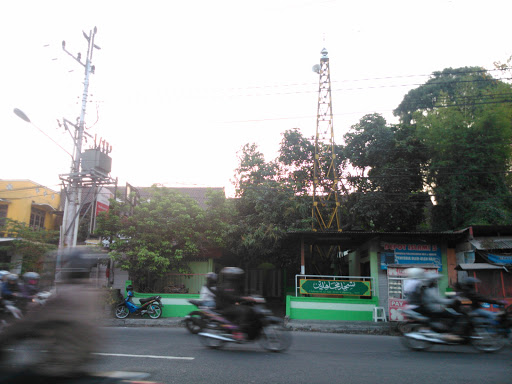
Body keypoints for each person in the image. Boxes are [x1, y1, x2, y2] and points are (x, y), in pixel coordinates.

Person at [0, 246, 103, 378]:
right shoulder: (92, 293)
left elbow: (27, 324)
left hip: (60, 366)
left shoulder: (66, 295)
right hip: (81, 363)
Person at [215, 267, 253, 341]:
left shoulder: (233, 285)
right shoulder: (226, 285)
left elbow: (238, 295)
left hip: (230, 306)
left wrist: (247, 297)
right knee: (243, 311)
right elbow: (231, 297)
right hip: (224, 307)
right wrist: (244, 298)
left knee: (246, 308)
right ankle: (238, 331)